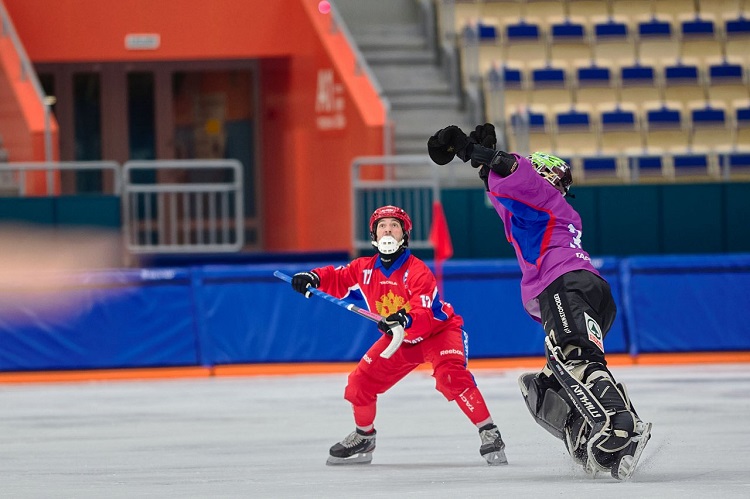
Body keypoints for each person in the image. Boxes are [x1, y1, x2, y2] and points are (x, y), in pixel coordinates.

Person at [426, 124, 651, 480]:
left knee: (576, 357)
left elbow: (517, 175)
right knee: (544, 387)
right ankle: (589, 431)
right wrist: (487, 172)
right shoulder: (542, 211)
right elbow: (508, 202)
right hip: (581, 288)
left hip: (565, 284)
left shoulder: (545, 197)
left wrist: (471, 150)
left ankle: (620, 424)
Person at [290, 205, 507, 466]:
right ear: (374, 234)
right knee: (360, 383)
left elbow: (423, 309)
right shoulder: (364, 268)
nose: (388, 230)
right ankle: (364, 436)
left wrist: (405, 316)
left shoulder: (417, 270)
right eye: (382, 226)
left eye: (394, 225)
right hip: (400, 339)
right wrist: (312, 277)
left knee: (451, 376)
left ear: (404, 234)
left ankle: (488, 431)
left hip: (438, 333)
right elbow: (338, 277)